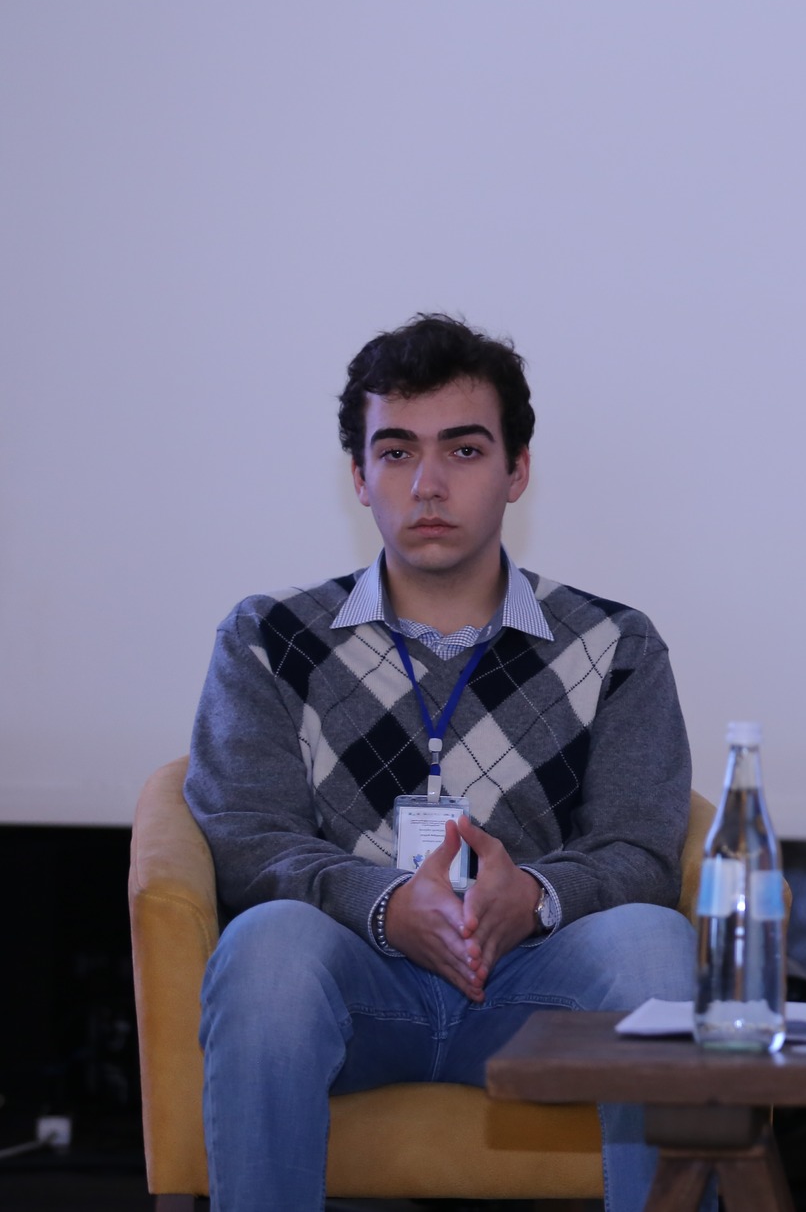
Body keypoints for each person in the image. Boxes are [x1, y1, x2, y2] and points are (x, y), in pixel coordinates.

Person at [186, 314, 695, 1212]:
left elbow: (641, 847)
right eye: (395, 452)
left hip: (534, 984)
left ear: (517, 470)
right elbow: (246, 836)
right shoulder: (270, 637)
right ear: (358, 476)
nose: (427, 484)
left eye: (463, 450)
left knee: (654, 942)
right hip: (354, 983)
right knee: (265, 949)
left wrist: (530, 895)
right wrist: (387, 906)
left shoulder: (615, 643)